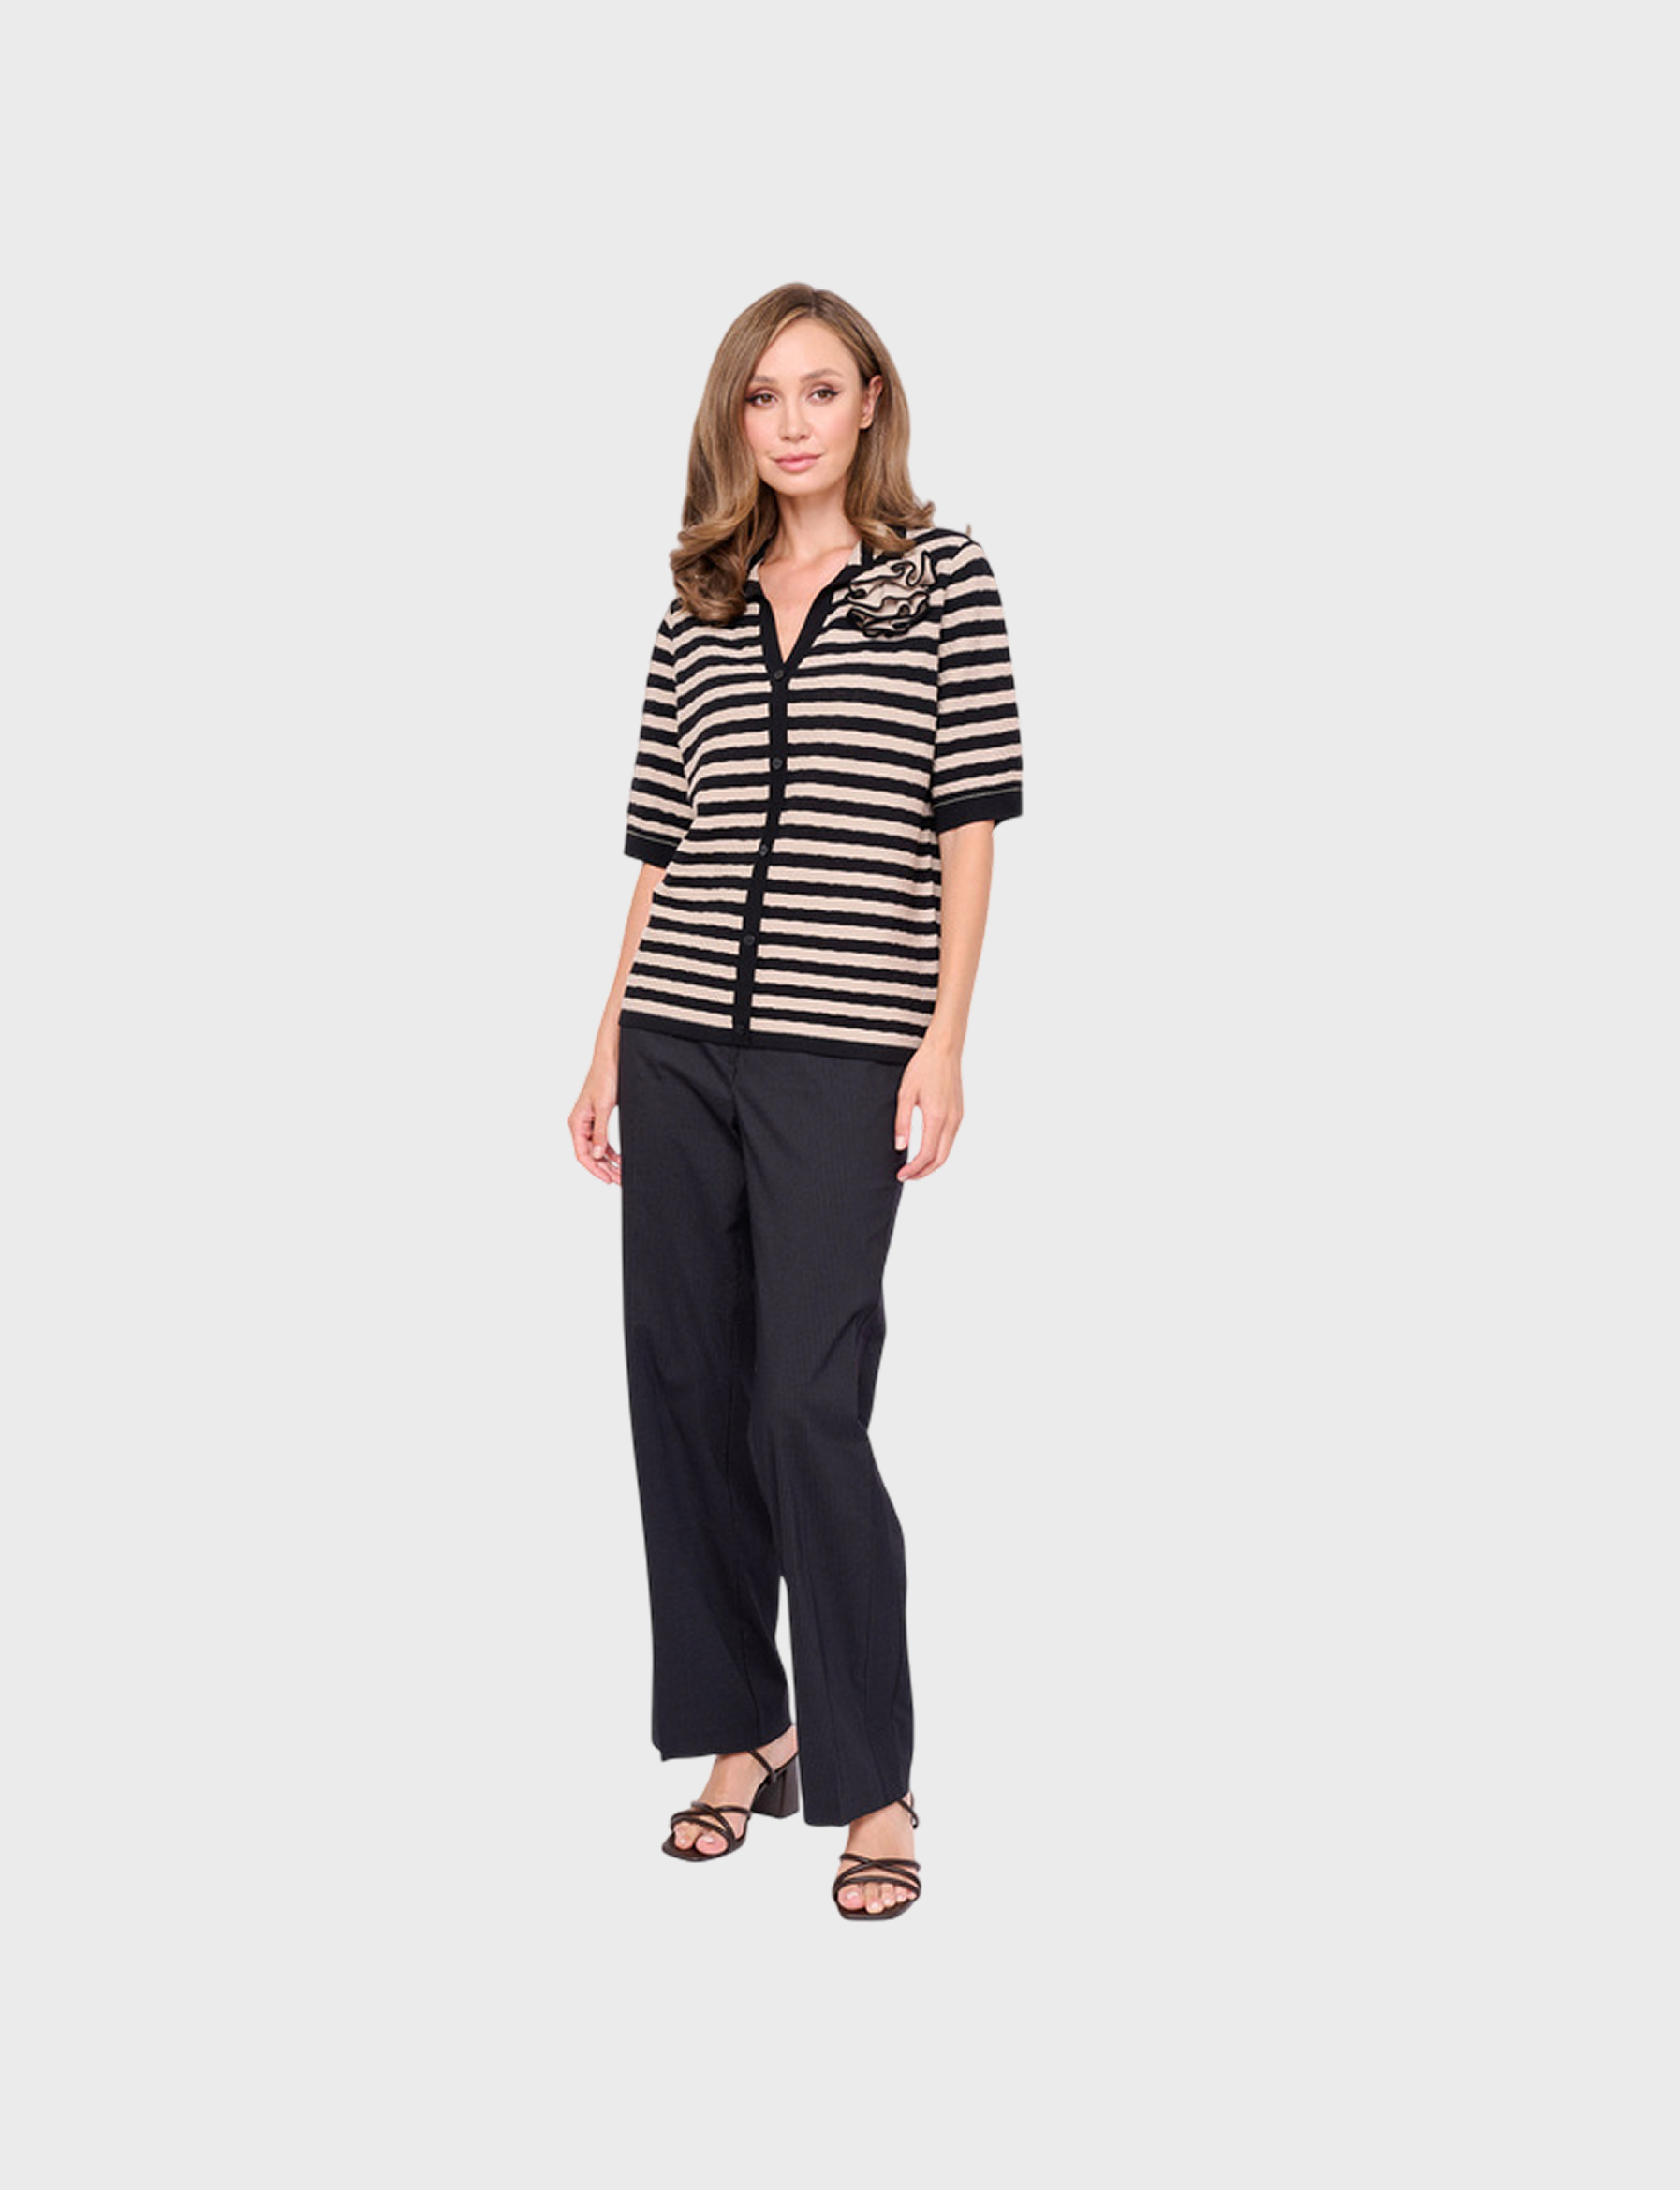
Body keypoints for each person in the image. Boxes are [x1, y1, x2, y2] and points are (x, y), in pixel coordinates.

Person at [570, 282, 1024, 1921]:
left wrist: (944, 1037)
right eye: (762, 395)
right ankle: (742, 1731)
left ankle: (872, 1779)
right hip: (679, 1033)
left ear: (868, 401)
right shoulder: (696, 598)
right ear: (734, 417)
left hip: (844, 1046)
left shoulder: (940, 580)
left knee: (804, 1405)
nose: (790, 421)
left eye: (820, 390)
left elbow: (968, 817)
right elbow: (660, 838)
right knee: (684, 1386)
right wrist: (606, 1040)